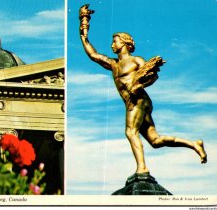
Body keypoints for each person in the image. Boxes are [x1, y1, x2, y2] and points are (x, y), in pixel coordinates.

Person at [79, 4, 207, 174]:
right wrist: (84, 26)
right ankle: (193, 144)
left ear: (124, 43)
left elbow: (153, 75)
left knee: (130, 132)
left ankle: (142, 168)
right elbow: (92, 54)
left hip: (139, 100)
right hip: (133, 103)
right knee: (155, 141)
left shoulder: (135, 60)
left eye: (114, 41)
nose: (112, 45)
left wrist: (138, 85)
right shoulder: (113, 64)